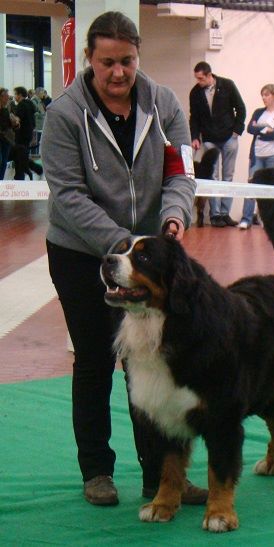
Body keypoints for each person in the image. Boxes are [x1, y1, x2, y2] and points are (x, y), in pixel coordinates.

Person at [41, 11, 205, 507]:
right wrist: (126, 246)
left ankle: (160, 477)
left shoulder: (166, 104)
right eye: (107, 62)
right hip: (79, 253)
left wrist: (174, 219)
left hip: (147, 258)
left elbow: (181, 174)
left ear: (138, 57)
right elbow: (67, 196)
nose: (118, 72)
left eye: (127, 61)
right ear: (89, 59)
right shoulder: (64, 114)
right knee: (94, 360)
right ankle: (97, 471)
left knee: (149, 367)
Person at [189, 61, 246, 227]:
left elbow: (240, 108)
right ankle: (215, 215)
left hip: (229, 137)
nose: (198, 82)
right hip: (209, 139)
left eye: (200, 78)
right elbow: (194, 117)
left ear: (209, 75)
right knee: (212, 177)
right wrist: (195, 136)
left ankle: (225, 213)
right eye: (196, 78)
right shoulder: (195, 93)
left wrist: (237, 130)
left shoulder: (227, 85)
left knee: (228, 176)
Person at [238, 84, 274, 229]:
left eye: (267, 95)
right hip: (257, 155)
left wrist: (259, 130)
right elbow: (249, 128)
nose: (264, 98)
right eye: (263, 95)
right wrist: (265, 130)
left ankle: (272, 219)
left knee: (273, 187)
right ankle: (246, 218)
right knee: (252, 185)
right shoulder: (259, 112)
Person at [12, 86, 36, 152]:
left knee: (20, 153)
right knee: (25, 152)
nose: (14, 96)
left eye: (15, 94)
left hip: (22, 133)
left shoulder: (21, 105)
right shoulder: (30, 103)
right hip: (29, 132)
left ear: (20, 95)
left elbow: (17, 119)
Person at [0, 88, 16, 179]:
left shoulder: (8, 109)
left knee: (4, 161)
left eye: (7, 96)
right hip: (2, 137)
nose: (7, 98)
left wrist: (15, 123)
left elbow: (10, 125)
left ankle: (1, 181)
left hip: (6, 139)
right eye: (5, 96)